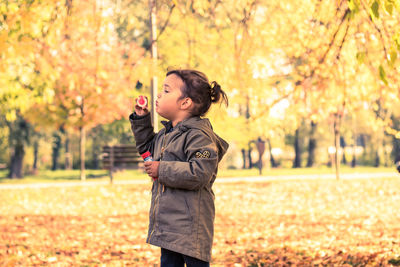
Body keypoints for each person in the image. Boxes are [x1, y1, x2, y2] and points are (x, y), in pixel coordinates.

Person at [129, 69, 229, 267]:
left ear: (185, 103)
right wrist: (141, 120)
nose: (159, 94)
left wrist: (162, 170)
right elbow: (147, 149)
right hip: (169, 224)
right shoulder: (167, 135)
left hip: (191, 227)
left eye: (166, 91)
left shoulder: (199, 137)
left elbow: (200, 172)